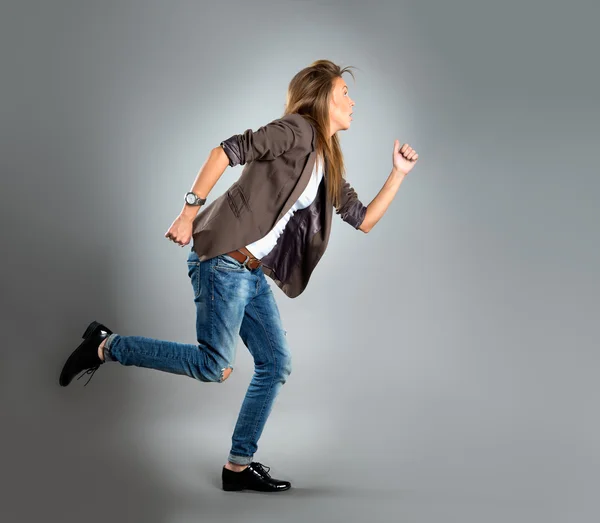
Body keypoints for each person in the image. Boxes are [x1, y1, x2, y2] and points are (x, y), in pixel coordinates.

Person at [59, 59, 419, 492]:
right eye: (344, 92)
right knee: (215, 367)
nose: (352, 100)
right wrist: (188, 212)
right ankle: (105, 346)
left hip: (250, 273)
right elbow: (224, 152)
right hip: (225, 261)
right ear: (322, 98)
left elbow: (363, 220)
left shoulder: (327, 160)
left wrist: (398, 174)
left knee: (275, 363)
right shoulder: (295, 129)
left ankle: (238, 467)